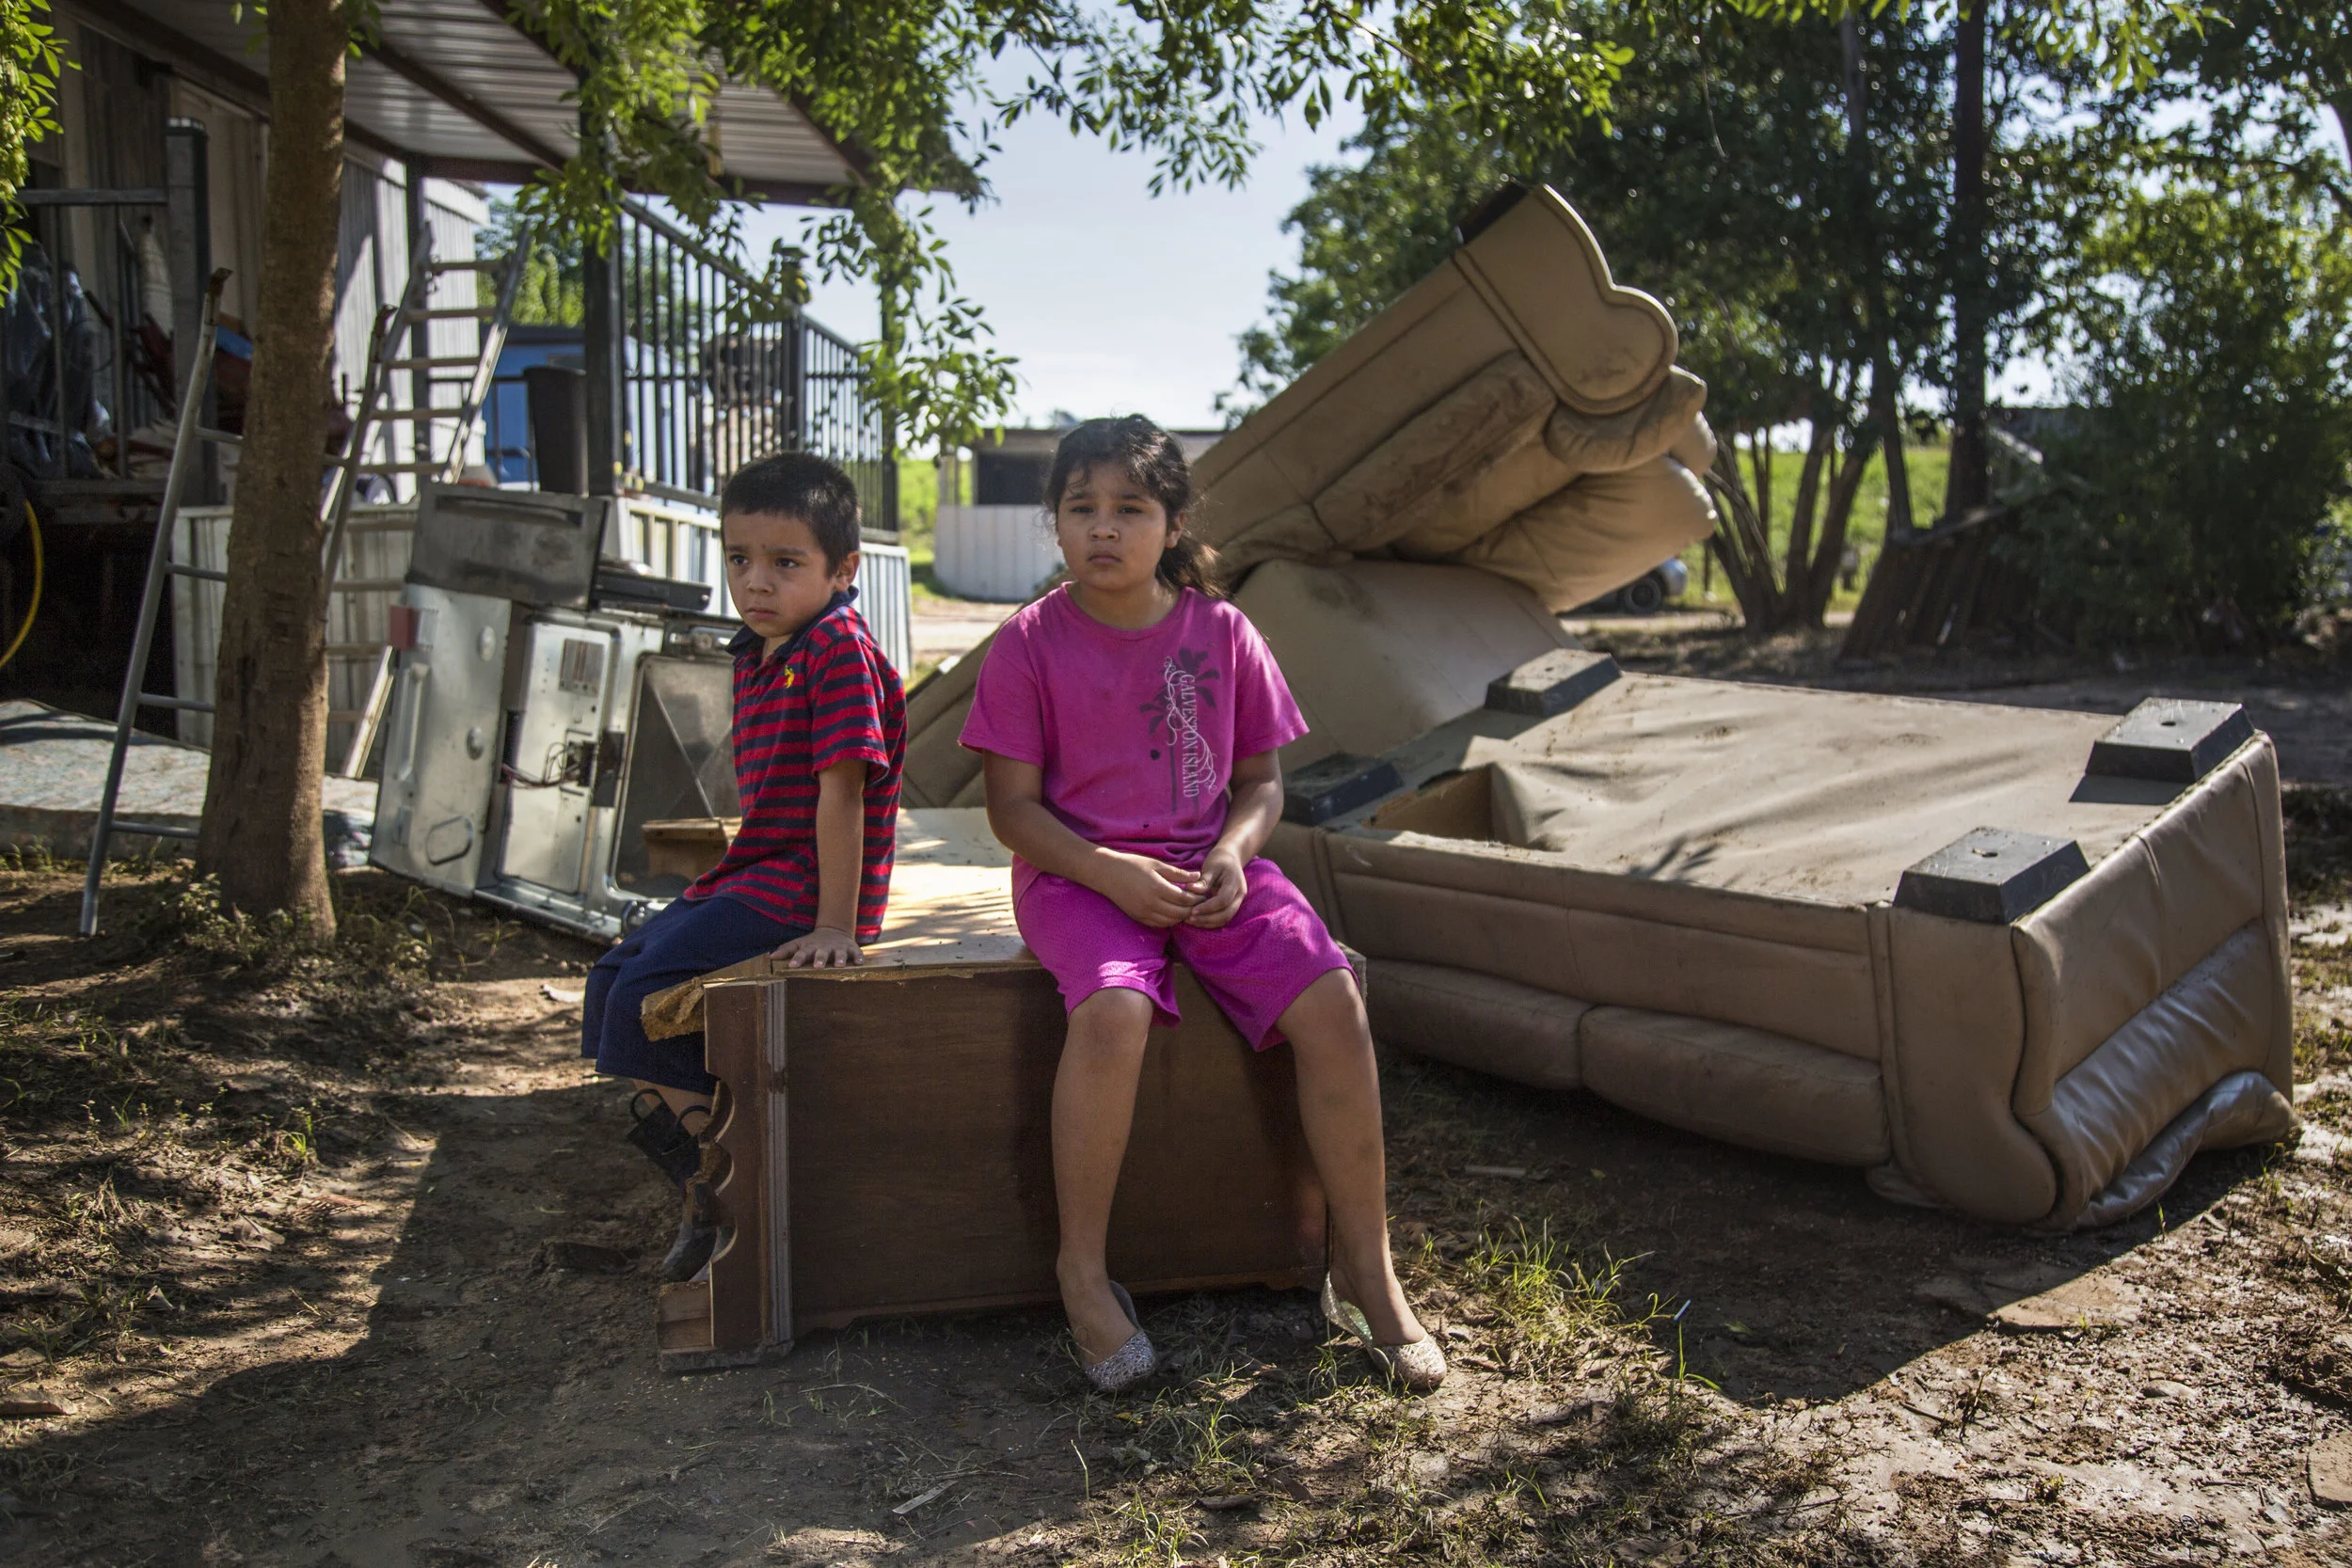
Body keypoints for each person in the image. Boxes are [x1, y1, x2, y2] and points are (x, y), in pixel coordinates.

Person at [959, 415, 1444, 1394]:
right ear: (1053, 523)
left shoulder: (1221, 632)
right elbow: (1010, 810)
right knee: (1113, 1009)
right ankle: (1083, 1275)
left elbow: (1262, 782)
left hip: (1209, 868)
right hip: (1077, 876)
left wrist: (1231, 850)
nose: (1103, 528)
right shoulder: (1027, 644)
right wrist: (1110, 872)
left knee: (1335, 994)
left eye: (1129, 508)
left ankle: (1366, 1268)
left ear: (1171, 521)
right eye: (1080, 507)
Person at [581, 452, 906, 1281]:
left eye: (786, 563)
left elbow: (845, 795)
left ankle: (737, 1189)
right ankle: (714, 1179)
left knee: (642, 997)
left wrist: (838, 924)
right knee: (609, 986)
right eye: (739, 559)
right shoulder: (765, 647)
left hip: (806, 888)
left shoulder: (835, 649)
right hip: (753, 872)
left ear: (843, 570)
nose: (756, 581)